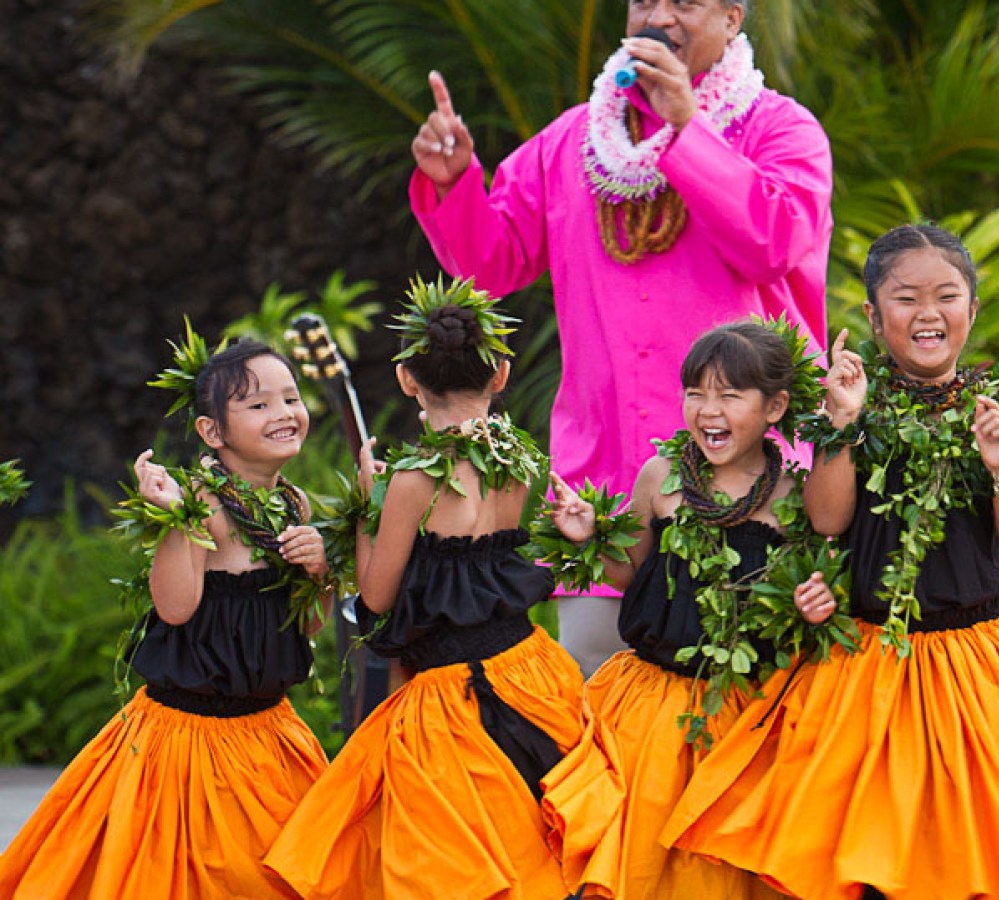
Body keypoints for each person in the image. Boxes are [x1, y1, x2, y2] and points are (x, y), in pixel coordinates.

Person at [661, 225, 999, 899]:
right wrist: (845, 424)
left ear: (972, 310)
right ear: (874, 315)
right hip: (866, 662)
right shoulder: (849, 402)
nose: (927, 313)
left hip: (979, 661)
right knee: (862, 859)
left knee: (988, 857)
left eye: (946, 296)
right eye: (906, 297)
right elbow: (828, 519)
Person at [409, 0, 834, 677]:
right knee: (607, 721)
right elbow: (490, 264)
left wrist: (685, 124)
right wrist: (454, 183)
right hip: (603, 489)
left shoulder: (782, 130)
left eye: (685, 2)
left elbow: (775, 244)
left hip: (754, 489)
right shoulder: (572, 140)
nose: (659, 15)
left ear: (731, 17)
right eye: (645, 0)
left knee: (755, 721)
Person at [264, 278, 585, 899]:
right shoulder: (521, 459)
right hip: (530, 673)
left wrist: (365, 506)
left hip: (451, 697)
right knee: (530, 841)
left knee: (456, 860)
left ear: (408, 379)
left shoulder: (412, 480)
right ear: (500, 374)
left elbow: (377, 597)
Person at [0, 337, 334, 899]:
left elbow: (311, 626)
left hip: (271, 736)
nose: (282, 413)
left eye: (290, 398)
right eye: (258, 405)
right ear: (212, 432)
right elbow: (175, 608)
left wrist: (321, 569)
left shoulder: (294, 505)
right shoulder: (201, 504)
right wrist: (174, 518)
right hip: (188, 744)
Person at [538, 320, 837, 898]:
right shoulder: (662, 478)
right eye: (696, 392)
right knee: (649, 856)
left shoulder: (795, 495)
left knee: (726, 866)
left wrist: (815, 603)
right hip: (653, 706)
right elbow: (635, 576)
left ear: (775, 405)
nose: (708, 409)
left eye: (729, 394)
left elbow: (817, 586)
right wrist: (592, 538)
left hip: (752, 709)